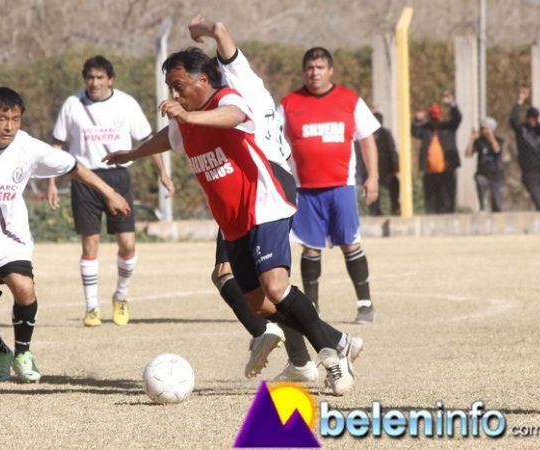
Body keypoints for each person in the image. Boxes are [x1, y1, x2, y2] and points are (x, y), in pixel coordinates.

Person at [103, 17, 360, 395]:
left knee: (276, 285)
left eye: (178, 87)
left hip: (265, 200)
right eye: (170, 89)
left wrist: (205, 37)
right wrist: (133, 152)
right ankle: (337, 340)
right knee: (259, 304)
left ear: (203, 80)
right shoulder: (186, 120)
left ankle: (331, 359)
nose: (173, 96)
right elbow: (168, 136)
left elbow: (236, 116)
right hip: (233, 219)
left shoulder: (230, 96)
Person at [0, 87, 130, 383]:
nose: (9, 126)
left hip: (10, 239)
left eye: (15, 119)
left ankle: (23, 353)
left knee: (24, 288)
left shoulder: (27, 146)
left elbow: (74, 167)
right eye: (1, 119)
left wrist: (110, 192)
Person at [48, 55, 173, 327]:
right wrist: (52, 183)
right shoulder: (72, 104)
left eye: (100, 78)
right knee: (90, 243)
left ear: (110, 79)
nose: (95, 83)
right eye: (90, 78)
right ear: (85, 80)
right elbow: (56, 146)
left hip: (118, 178)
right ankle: (92, 307)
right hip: (84, 179)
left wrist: (163, 172)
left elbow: (148, 140)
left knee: (127, 243)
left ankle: (121, 296)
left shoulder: (126, 103)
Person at [279, 46, 380, 325]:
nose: (315, 73)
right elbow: (271, 140)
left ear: (330, 71)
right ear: (304, 71)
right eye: (310, 68)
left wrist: (373, 177)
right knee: (310, 248)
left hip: (341, 187)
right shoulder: (289, 104)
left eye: (320, 67)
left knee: (351, 243)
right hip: (305, 189)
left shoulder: (349, 100)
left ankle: (365, 304)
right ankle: (311, 308)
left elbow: (367, 140)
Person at [412, 93, 462, 214]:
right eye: (433, 118)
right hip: (430, 172)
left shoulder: (448, 127)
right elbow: (414, 131)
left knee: (447, 200)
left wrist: (452, 104)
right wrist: (416, 119)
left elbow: (457, 118)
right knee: (431, 201)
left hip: (447, 170)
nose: (436, 121)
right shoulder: (426, 129)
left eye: (437, 118)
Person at [510, 87, 540, 211]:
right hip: (530, 173)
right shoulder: (522, 130)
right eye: (532, 118)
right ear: (527, 118)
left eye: (536, 118)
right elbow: (513, 120)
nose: (534, 120)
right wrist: (520, 101)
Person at [465, 117, 505, 212]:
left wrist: (491, 137)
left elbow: (497, 150)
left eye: (485, 128)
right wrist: (471, 140)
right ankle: (482, 207)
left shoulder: (499, 140)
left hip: (496, 175)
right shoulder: (479, 141)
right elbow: (468, 154)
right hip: (483, 174)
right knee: (480, 181)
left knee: (497, 204)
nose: (483, 130)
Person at [368, 111, 399, 216]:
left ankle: (394, 207)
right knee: (373, 189)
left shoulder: (385, 133)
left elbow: (392, 150)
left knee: (394, 185)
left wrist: (395, 167)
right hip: (373, 167)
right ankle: (375, 210)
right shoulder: (367, 134)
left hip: (385, 168)